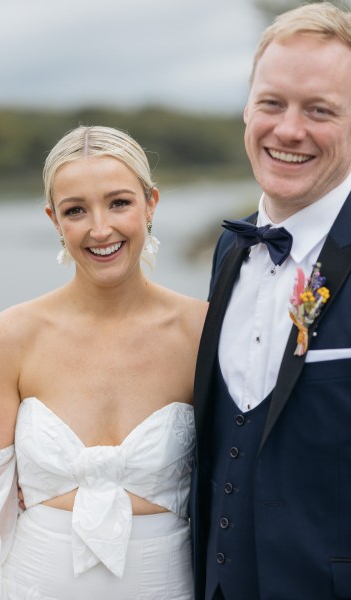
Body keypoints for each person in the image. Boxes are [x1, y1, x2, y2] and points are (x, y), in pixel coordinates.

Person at [0, 125, 208, 600]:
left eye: (119, 202)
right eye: (75, 210)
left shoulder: (201, 330)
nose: (100, 228)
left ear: (151, 203)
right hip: (31, 585)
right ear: (54, 219)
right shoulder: (13, 335)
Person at [190, 3, 351, 600]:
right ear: (246, 112)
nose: (288, 129)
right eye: (272, 103)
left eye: (321, 110)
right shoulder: (228, 250)